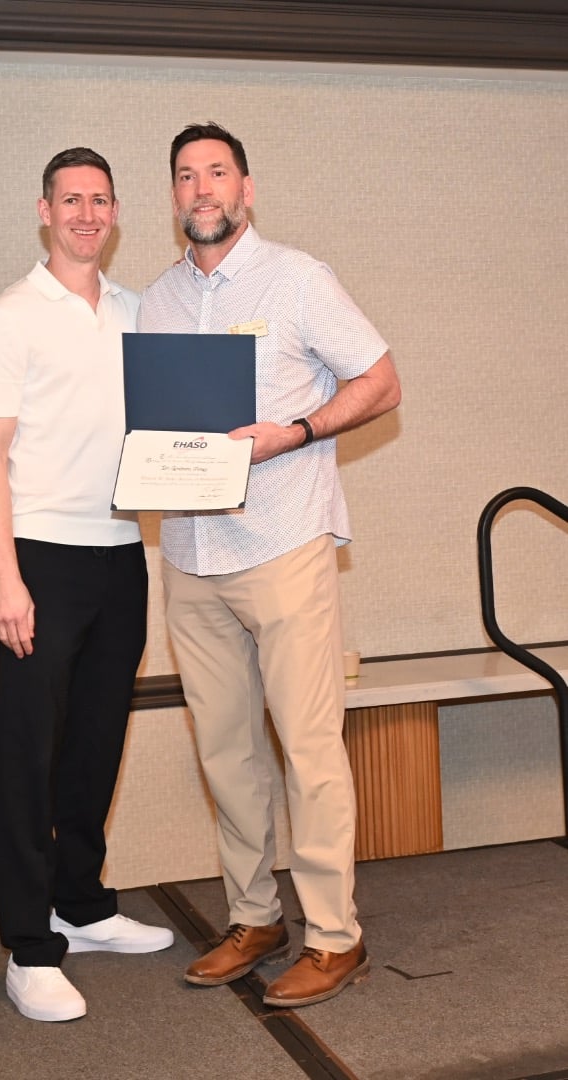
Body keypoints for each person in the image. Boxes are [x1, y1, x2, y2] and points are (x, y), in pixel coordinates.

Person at [138, 123, 401, 1008]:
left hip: (282, 543)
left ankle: (336, 936)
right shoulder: (159, 303)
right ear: (173, 198)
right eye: (186, 176)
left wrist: (293, 433)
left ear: (246, 189)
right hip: (189, 552)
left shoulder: (298, 278)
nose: (201, 188)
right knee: (225, 751)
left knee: (309, 748)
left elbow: (380, 380)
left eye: (216, 173)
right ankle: (255, 917)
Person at [0, 146, 174, 1024]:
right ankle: (28, 944)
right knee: (27, 750)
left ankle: (80, 904)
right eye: (70, 200)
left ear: (116, 212)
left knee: (95, 741)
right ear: (44, 211)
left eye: (100, 199)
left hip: (122, 552)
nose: (86, 213)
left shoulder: (137, 311)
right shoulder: (8, 317)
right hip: (41, 558)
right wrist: (5, 579)